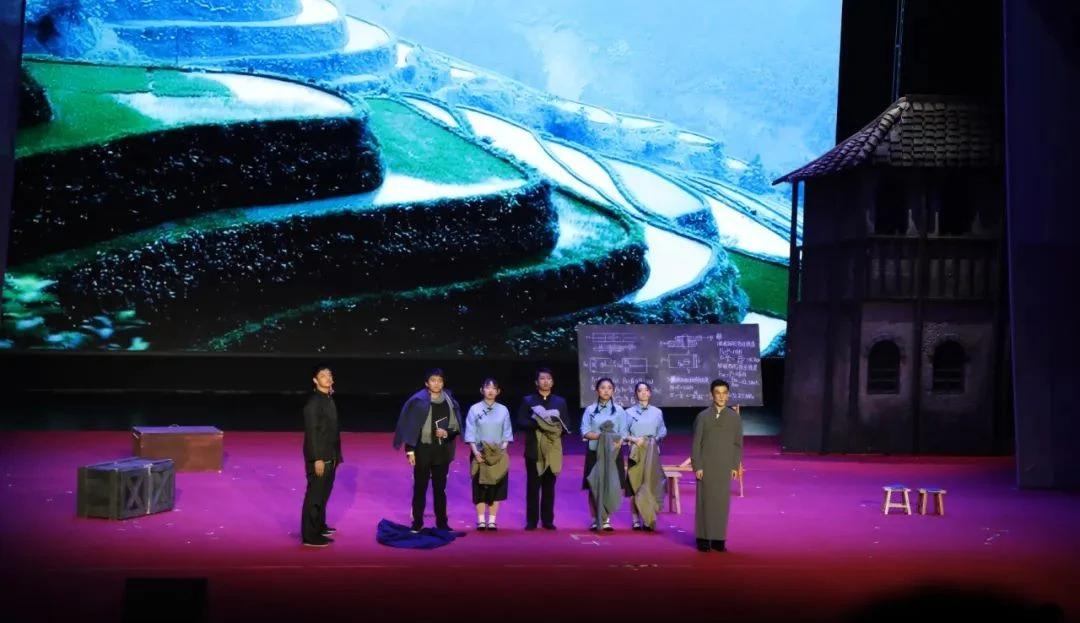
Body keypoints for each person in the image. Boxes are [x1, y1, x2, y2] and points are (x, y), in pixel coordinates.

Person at [393, 368, 462, 532]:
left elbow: (456, 427)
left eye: (439, 380)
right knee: (420, 488)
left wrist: (447, 432)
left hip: (442, 450)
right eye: (433, 380)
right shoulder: (419, 401)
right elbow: (411, 426)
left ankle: (442, 523)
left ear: (443, 383)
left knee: (440, 489)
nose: (436, 383)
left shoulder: (449, 401)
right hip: (423, 450)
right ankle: (417, 523)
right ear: (426, 383)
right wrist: (410, 450)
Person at [515, 367, 570, 530]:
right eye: (542, 378)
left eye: (548, 378)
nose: (545, 381)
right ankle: (531, 520)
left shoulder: (560, 402)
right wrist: (540, 423)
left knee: (549, 486)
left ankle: (548, 520)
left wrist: (553, 428)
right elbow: (520, 422)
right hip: (534, 449)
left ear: (552, 382)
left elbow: (566, 424)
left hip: (553, 449)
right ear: (536, 382)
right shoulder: (528, 401)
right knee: (533, 486)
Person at [691, 378, 743, 552]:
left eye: (724, 393)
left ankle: (719, 539)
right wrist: (697, 466)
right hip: (706, 466)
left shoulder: (734, 418)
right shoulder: (703, 417)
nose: (721, 396)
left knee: (721, 503)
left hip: (724, 466)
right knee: (704, 502)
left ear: (728, 395)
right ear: (711, 395)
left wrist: (734, 466)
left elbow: (737, 444)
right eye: (717, 393)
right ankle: (703, 538)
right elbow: (696, 444)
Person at [301, 364, 342, 547]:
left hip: (330, 455)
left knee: (324, 493)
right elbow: (312, 433)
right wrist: (317, 458)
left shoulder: (328, 398)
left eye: (329, 375)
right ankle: (310, 536)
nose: (328, 377)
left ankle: (319, 526)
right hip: (319, 457)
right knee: (315, 496)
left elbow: (332, 431)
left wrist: (336, 456)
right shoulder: (314, 403)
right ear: (315, 380)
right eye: (323, 375)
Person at [464, 378, 513, 531]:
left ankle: (492, 520)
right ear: (482, 390)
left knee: (496, 486)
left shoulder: (503, 410)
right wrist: (475, 452)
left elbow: (507, 433)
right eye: (487, 387)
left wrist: (501, 452)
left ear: (498, 391)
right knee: (479, 487)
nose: (490, 391)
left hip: (498, 454)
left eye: (493, 388)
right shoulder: (474, 409)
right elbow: (470, 432)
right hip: (479, 453)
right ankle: (480, 520)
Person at [580, 377, 628, 531]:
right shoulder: (590, 410)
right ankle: (595, 519)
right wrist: (602, 437)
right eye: (602, 387)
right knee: (594, 485)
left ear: (613, 391)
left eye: (609, 388)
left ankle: (606, 519)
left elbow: (623, 432)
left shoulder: (619, 410)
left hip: (613, 454)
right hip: (595, 452)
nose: (606, 391)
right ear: (597, 390)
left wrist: (617, 442)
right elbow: (585, 431)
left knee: (611, 484)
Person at [624, 382, 668, 531]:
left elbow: (662, 430)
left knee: (651, 485)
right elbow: (623, 433)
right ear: (636, 394)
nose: (643, 393)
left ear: (650, 393)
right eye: (640, 390)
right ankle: (636, 519)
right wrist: (635, 439)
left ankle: (648, 520)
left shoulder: (657, 412)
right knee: (635, 485)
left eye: (646, 390)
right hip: (636, 451)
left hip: (652, 451)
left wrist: (656, 438)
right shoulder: (629, 412)